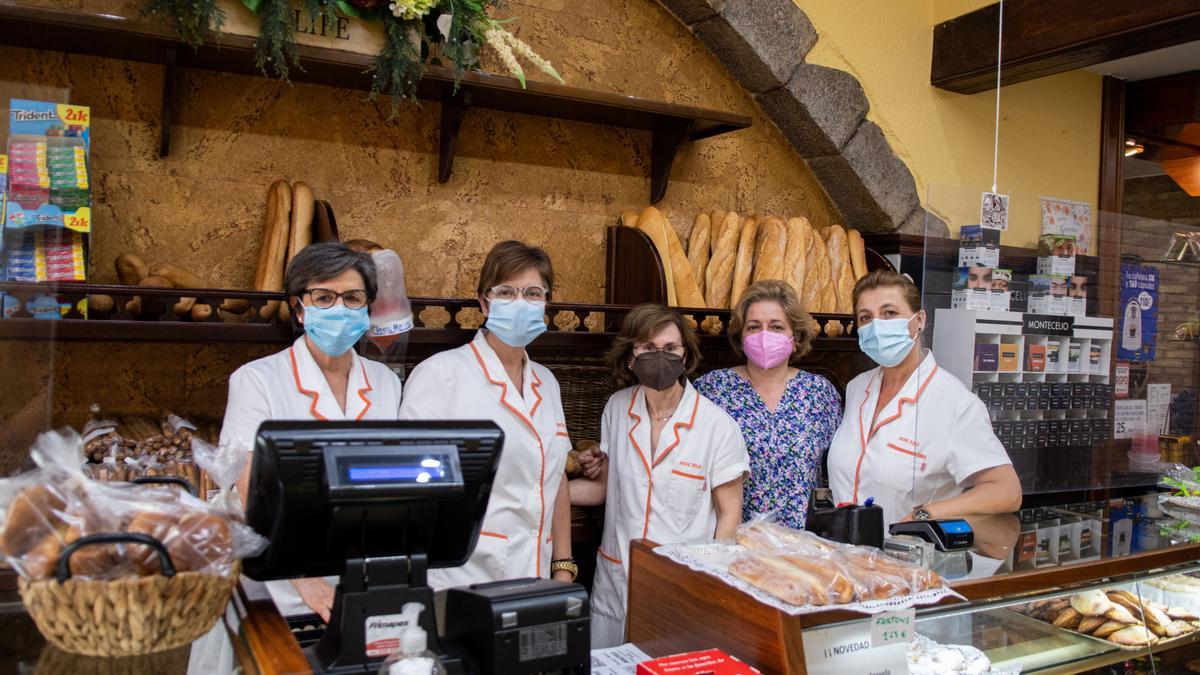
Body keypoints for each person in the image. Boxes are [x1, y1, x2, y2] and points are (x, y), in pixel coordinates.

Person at [217, 243, 404, 615]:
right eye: (323, 297)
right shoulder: (257, 380)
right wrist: (304, 579)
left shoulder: (386, 381)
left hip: (363, 567)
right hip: (282, 574)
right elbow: (250, 483)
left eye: (352, 298)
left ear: (367, 308)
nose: (339, 308)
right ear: (299, 308)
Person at [399, 241, 575, 589]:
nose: (520, 303)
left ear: (546, 304)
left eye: (533, 293)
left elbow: (556, 479)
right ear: (484, 302)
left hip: (536, 574)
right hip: (462, 575)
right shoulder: (440, 375)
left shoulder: (547, 383)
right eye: (506, 292)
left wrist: (563, 566)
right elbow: (411, 490)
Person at [571, 304, 748, 648]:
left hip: (682, 585)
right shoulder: (617, 408)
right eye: (648, 349)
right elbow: (607, 489)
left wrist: (711, 583)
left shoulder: (717, 426)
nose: (660, 356)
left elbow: (729, 515)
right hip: (616, 577)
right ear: (630, 357)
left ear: (686, 356)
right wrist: (544, 488)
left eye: (670, 349)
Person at [827, 270, 1021, 525]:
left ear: (919, 320)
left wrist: (927, 514)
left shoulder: (955, 403)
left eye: (890, 313)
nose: (877, 326)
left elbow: (1006, 490)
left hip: (907, 556)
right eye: (866, 317)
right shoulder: (856, 388)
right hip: (844, 556)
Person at [693, 280, 840, 529]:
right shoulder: (712, 389)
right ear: (741, 337)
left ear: (795, 337)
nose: (764, 335)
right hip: (729, 541)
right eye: (754, 327)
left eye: (776, 327)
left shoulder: (819, 393)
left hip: (802, 548)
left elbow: (840, 468)